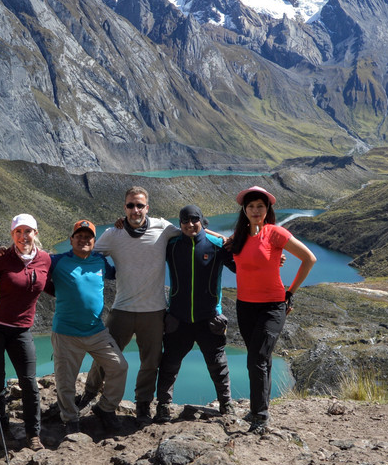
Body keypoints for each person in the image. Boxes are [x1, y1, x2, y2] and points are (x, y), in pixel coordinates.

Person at [82, 187, 179, 422]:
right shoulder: (114, 234)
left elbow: (192, 233)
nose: (135, 210)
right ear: (124, 207)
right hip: (122, 308)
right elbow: (87, 253)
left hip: (154, 310)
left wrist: (224, 240)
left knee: (150, 362)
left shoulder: (163, 227)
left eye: (139, 205)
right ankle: (89, 394)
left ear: (147, 207)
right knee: (105, 356)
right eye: (130, 205)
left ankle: (143, 403)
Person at [228, 186, 316, 435]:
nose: (256, 210)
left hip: (273, 306)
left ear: (268, 210)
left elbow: (309, 258)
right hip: (245, 306)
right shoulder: (239, 236)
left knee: (256, 358)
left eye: (260, 206)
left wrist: (290, 293)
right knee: (260, 359)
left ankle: (260, 415)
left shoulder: (275, 233)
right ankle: (260, 408)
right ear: (244, 210)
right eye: (251, 206)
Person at [154, 205, 235, 423]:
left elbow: (242, 267)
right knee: (169, 363)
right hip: (178, 318)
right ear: (179, 223)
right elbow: (145, 241)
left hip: (209, 317)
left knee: (217, 363)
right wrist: (123, 225)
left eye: (194, 220)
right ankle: (163, 405)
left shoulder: (217, 246)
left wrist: (274, 259)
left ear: (202, 221)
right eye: (185, 221)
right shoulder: (171, 246)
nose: (190, 224)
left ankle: (226, 403)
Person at [47, 220, 128, 434]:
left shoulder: (100, 260)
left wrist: (125, 230)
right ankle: (71, 419)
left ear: (94, 240)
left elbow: (117, 273)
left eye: (88, 237)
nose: (83, 240)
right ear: (71, 239)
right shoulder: (56, 261)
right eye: (79, 236)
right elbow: (33, 269)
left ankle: (106, 408)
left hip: (96, 330)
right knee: (66, 381)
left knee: (119, 366)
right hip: (66, 333)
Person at [0, 213, 52, 450]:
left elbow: (52, 285)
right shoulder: (2, 259)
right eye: (18, 232)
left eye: (28, 231)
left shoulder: (45, 260)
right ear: (12, 235)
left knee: (29, 382)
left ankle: (33, 434)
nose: (23, 236)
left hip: (22, 329)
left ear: (36, 233)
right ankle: (2, 429)